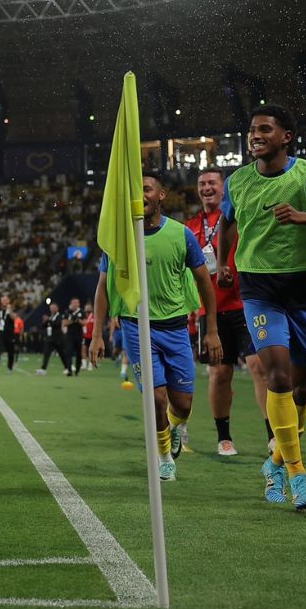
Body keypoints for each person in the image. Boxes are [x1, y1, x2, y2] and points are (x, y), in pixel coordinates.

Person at [218, 106, 306, 510]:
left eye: (265, 129)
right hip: (259, 286)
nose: (255, 135)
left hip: (304, 285)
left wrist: (301, 217)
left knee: (302, 386)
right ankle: (297, 472)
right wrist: (223, 263)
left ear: (287, 137)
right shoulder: (238, 181)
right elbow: (227, 222)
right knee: (276, 375)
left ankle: (276, 461)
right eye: (251, 129)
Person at [90, 173, 223, 481]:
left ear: (161, 195)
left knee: (182, 405)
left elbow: (205, 282)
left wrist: (212, 330)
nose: (140, 196)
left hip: (175, 327)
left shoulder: (180, 234)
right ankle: (164, 457)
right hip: (136, 327)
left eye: (147, 189)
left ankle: (175, 427)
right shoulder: (119, 240)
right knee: (156, 398)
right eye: (135, 192)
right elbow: (103, 288)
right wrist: (97, 334)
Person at [186, 166, 270, 457]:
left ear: (224, 188)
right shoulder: (190, 227)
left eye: (212, 182)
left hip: (247, 304)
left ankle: (274, 435)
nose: (206, 187)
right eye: (202, 183)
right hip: (211, 311)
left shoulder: (239, 216)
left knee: (260, 366)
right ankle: (224, 438)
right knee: (220, 373)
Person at [36, 302, 70, 375]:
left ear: (57, 308)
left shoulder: (60, 316)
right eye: (51, 308)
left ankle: (67, 367)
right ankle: (43, 369)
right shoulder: (51, 316)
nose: (52, 309)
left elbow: (57, 324)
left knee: (62, 354)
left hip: (58, 339)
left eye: (54, 308)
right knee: (46, 354)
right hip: (50, 339)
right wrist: (47, 321)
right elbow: (43, 326)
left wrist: (49, 320)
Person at [0, 295, 17, 374]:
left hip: (9, 332)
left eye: (5, 300)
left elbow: (14, 318)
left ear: (8, 301)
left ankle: (10, 368)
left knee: (10, 351)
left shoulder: (11, 308)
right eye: (2, 300)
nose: (4, 301)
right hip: (0, 332)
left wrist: (10, 310)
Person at [63, 297, 86, 375]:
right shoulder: (67, 312)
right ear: (71, 304)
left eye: (77, 302)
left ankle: (77, 370)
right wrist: (73, 320)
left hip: (79, 335)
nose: (75, 304)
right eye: (74, 303)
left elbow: (84, 323)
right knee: (68, 352)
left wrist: (79, 321)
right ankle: (69, 370)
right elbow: (64, 323)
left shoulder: (82, 312)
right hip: (69, 336)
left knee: (78, 353)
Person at [82, 305, 96, 370]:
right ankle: (84, 364)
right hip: (85, 336)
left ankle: (90, 364)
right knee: (83, 349)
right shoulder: (83, 317)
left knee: (91, 351)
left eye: (89, 308)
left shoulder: (94, 317)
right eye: (86, 308)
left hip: (92, 336)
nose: (87, 309)